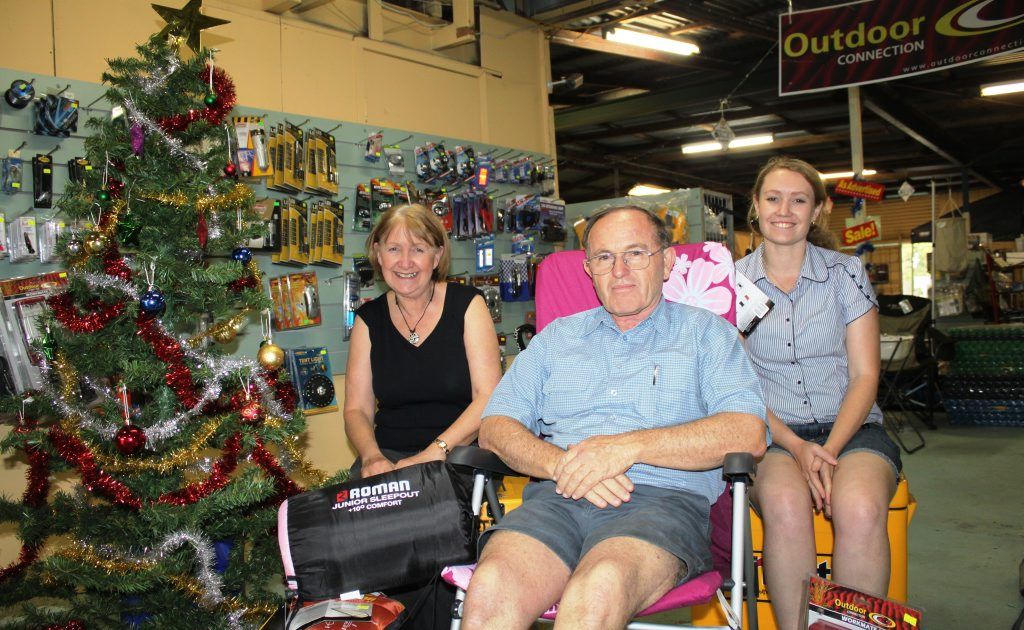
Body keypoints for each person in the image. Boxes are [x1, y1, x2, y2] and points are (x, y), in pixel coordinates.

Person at [461, 206, 768, 630]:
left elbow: (748, 433)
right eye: (605, 257)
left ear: (667, 261)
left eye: (636, 253)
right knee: (490, 588)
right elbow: (495, 427)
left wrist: (623, 449)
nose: (619, 270)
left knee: (598, 588)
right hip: (558, 499)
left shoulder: (707, 335)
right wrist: (564, 465)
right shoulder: (556, 340)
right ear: (589, 269)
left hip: (662, 506)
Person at [736, 156, 903, 628]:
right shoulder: (733, 284)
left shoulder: (846, 274)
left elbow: (865, 376)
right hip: (772, 435)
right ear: (755, 205)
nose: (784, 210)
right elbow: (735, 385)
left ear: (818, 211)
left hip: (851, 431)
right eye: (773, 198)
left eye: (798, 199)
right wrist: (794, 444)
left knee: (860, 504)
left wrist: (826, 451)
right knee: (786, 507)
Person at [344, 203, 502, 629]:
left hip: (458, 455)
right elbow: (357, 409)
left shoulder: (469, 306)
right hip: (389, 454)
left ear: (437, 255)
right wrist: (372, 457)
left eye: (418, 249)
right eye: (394, 249)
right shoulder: (368, 320)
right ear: (377, 254)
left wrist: (435, 452)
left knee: (416, 528)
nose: (406, 262)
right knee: (347, 524)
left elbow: (488, 398)